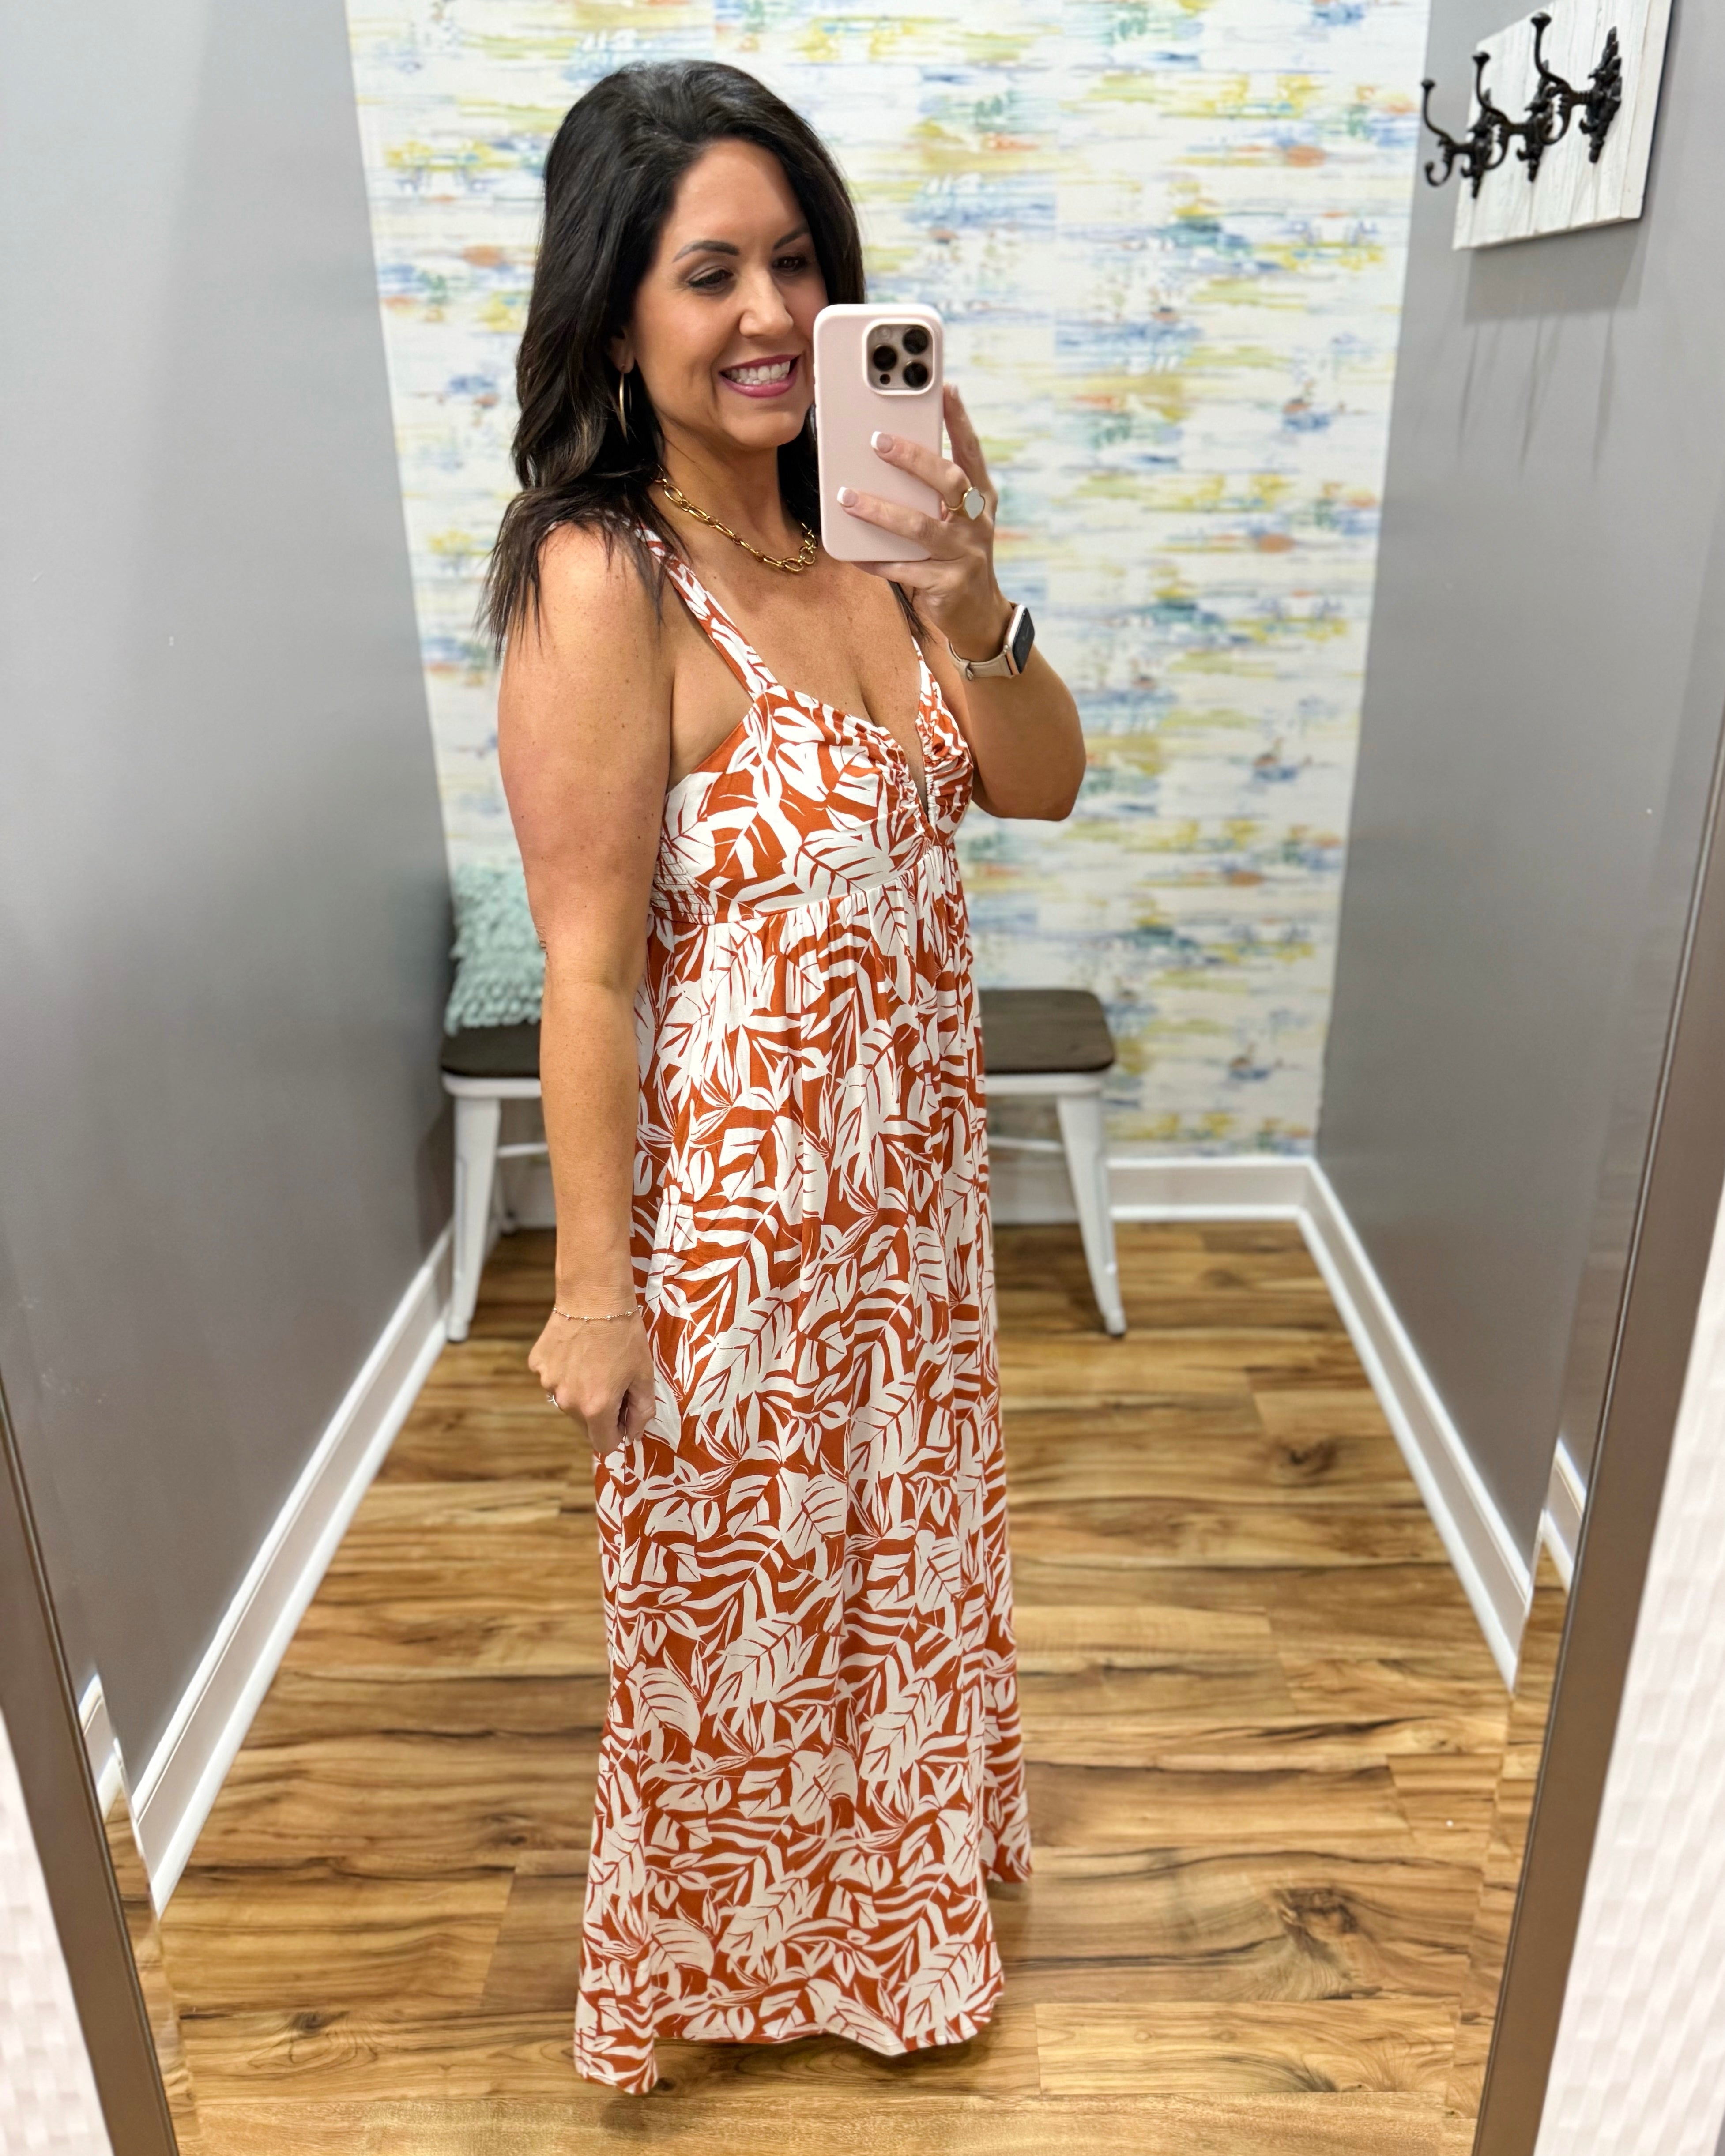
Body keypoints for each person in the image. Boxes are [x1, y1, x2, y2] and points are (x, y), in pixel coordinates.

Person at [486, 58, 1086, 2096]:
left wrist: (969, 586)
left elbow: (1038, 784)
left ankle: (892, 1926)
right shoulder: (598, 579)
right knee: (735, 1612)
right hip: (739, 1221)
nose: (760, 313)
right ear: (615, 310)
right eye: (704, 271)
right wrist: (593, 1284)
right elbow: (584, 971)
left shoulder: (875, 532)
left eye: (793, 262)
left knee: (900, 1567)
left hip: (912, 1205)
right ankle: (722, 1959)